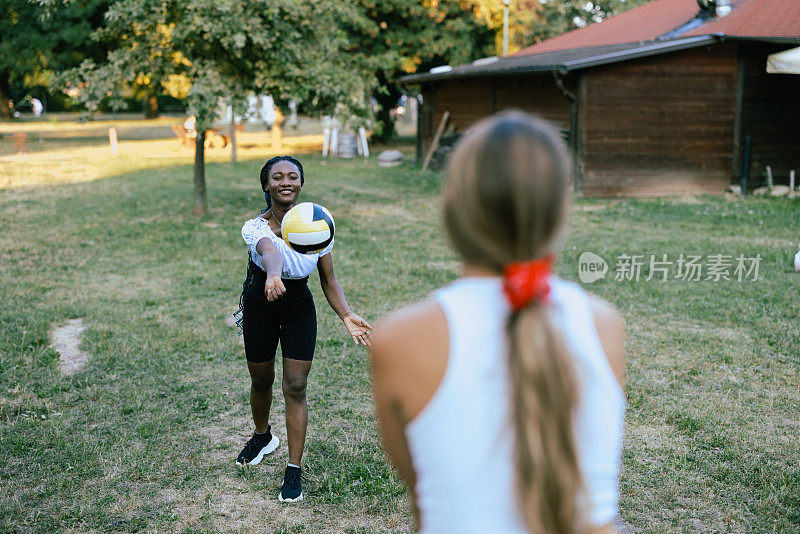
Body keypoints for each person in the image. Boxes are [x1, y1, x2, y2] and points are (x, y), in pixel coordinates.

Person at [370, 112, 626, 534]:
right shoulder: (604, 325)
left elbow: (422, 496)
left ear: (451, 204)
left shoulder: (402, 338)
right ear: (560, 210)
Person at [235, 155, 373, 503]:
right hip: (260, 303)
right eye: (277, 176)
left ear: (300, 183)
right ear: (266, 185)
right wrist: (274, 274)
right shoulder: (255, 227)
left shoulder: (317, 224)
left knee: (295, 386)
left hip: (298, 307)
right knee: (261, 380)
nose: (286, 181)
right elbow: (270, 253)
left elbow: (328, 278)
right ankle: (263, 436)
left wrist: (345, 314)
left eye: (293, 176)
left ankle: (293, 468)